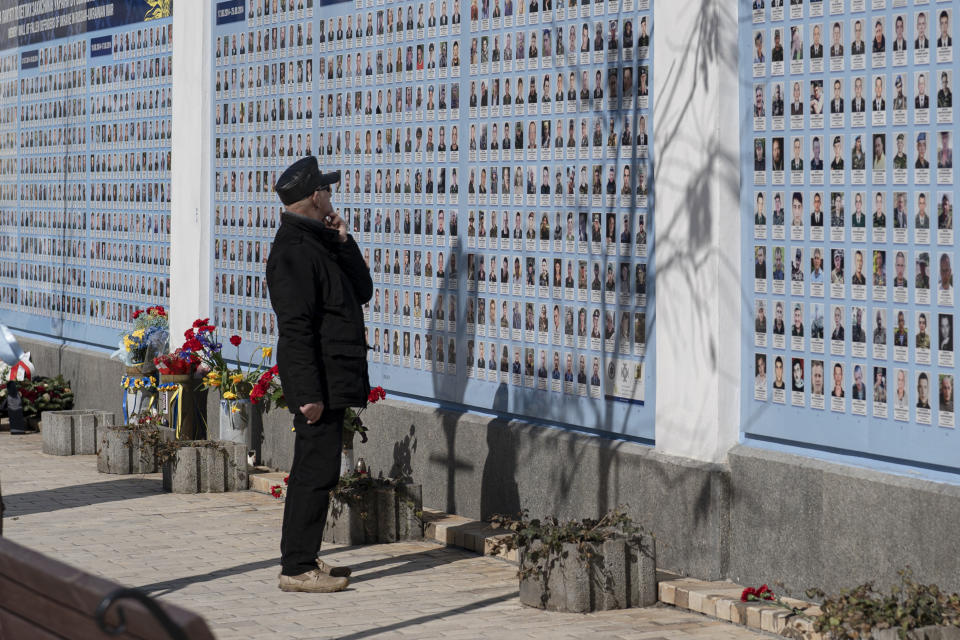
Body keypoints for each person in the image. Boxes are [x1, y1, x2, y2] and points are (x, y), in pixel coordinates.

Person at [267, 156, 372, 593]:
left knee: (321, 468)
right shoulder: (292, 251)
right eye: (326, 189)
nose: (331, 194)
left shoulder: (319, 241)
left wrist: (345, 243)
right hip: (320, 383)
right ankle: (296, 568)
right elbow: (294, 329)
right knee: (312, 471)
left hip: (334, 377)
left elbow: (362, 291)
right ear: (314, 196)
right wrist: (306, 392)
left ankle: (304, 558)